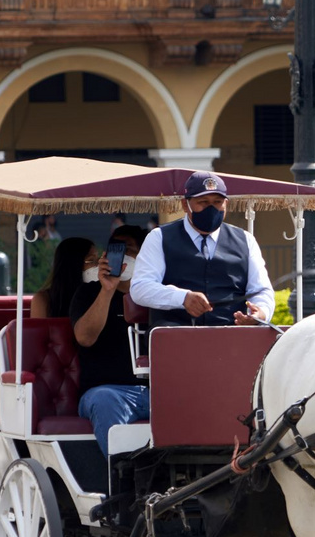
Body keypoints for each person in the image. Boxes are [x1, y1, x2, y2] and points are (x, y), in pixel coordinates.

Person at [130, 170, 274, 327]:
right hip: (175, 337)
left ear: (226, 203)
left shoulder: (245, 240)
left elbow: (261, 290)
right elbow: (141, 287)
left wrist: (260, 313)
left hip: (232, 337)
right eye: (203, 202)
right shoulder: (159, 237)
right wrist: (182, 298)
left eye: (217, 202)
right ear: (185, 205)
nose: (211, 209)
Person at [69, 225, 149, 454]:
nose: (122, 255)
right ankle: (122, 477)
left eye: (129, 249)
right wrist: (108, 289)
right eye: (117, 249)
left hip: (157, 391)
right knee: (105, 400)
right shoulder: (88, 293)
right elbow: (84, 337)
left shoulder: (157, 295)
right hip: (107, 391)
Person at [30, 236, 93, 318]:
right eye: (91, 260)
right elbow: (39, 329)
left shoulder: (99, 295)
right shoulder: (44, 299)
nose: (98, 265)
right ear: (74, 264)